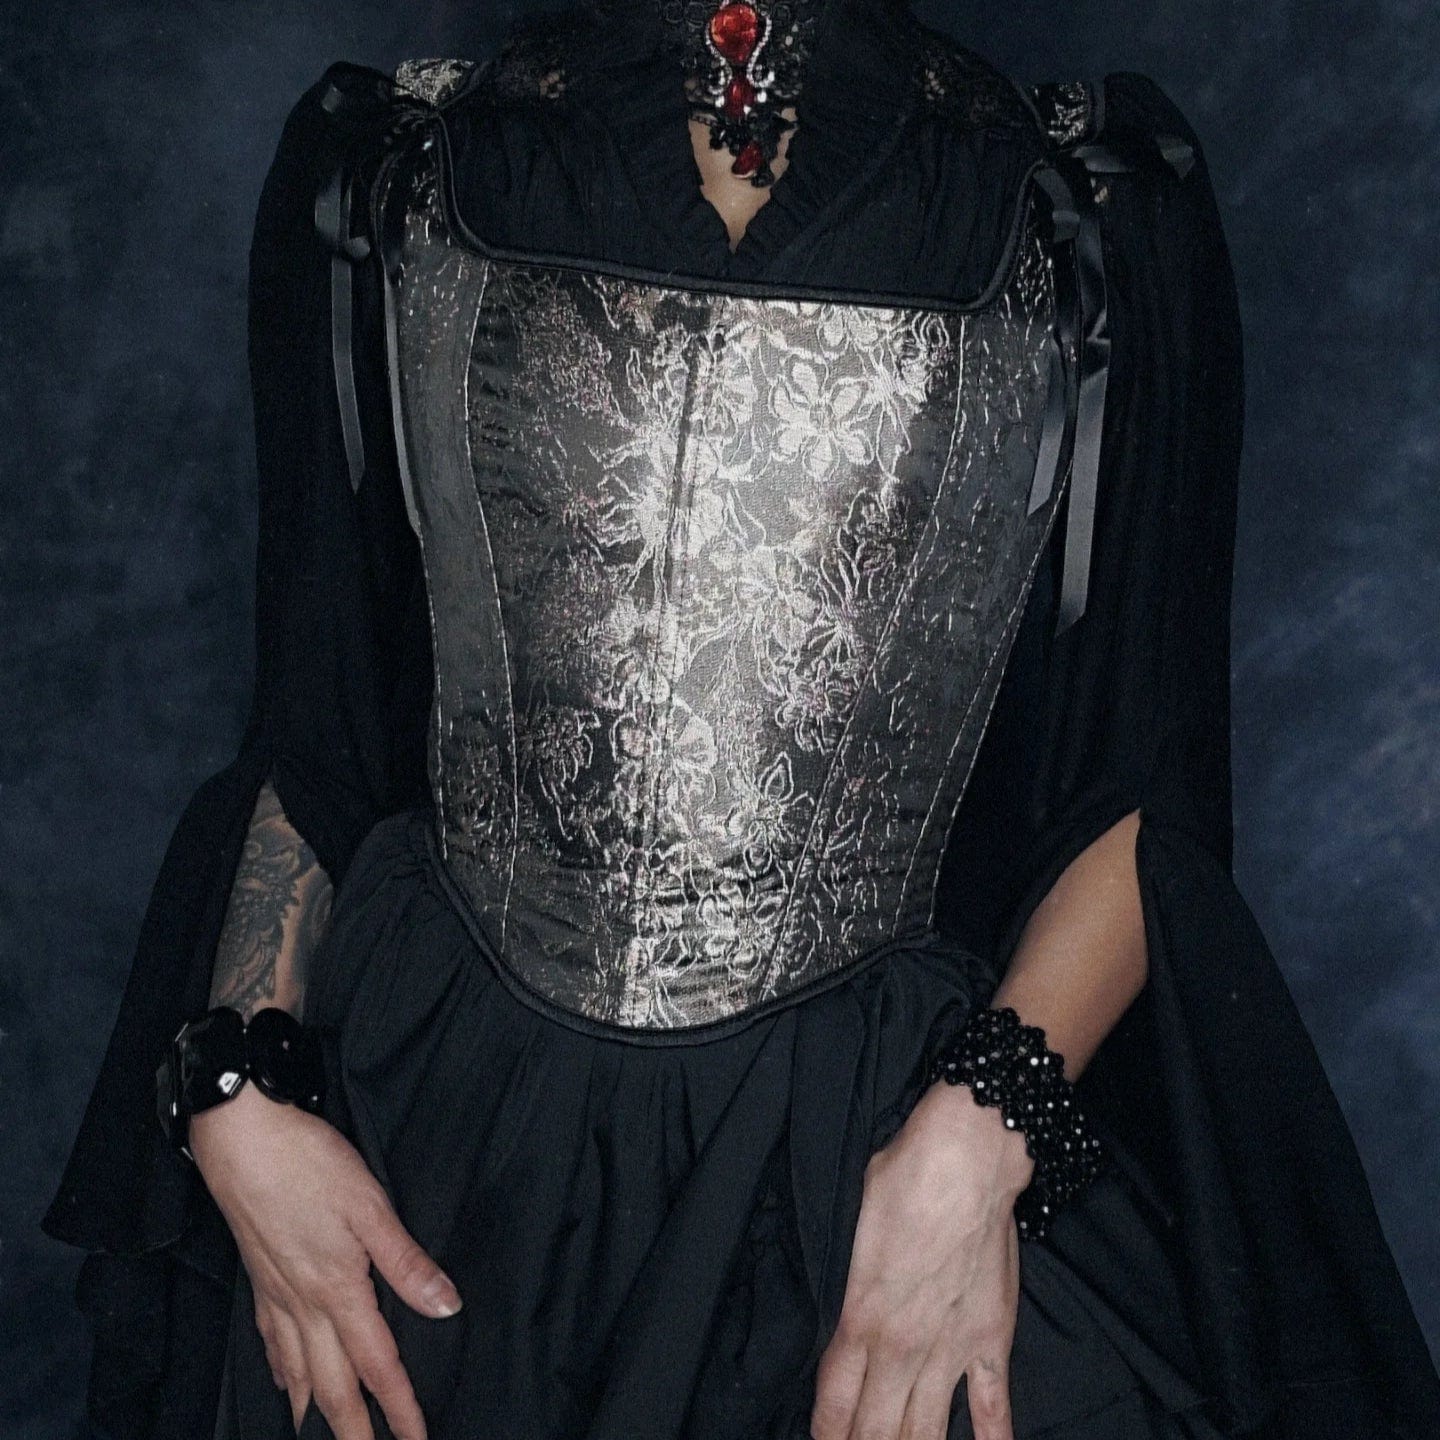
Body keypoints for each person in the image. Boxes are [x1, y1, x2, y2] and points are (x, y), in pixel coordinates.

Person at [42, 1, 1440, 1438]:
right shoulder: (398, 167)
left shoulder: (1081, 206)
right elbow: (321, 725)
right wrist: (238, 1093)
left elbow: (1145, 792)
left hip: (866, 1140)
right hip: (433, 1113)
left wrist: (978, 1144)